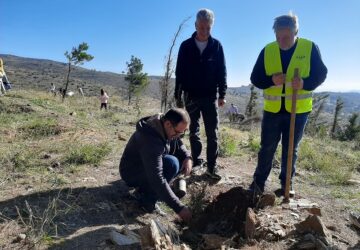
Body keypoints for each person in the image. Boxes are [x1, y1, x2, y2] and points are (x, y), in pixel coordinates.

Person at [249, 13, 327, 195]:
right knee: (267, 148)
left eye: (285, 37)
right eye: (277, 37)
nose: (281, 41)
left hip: (298, 111)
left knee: (290, 149)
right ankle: (258, 184)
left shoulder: (309, 48)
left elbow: (321, 74)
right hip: (273, 110)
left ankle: (286, 185)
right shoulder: (268, 50)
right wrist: (271, 80)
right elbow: (255, 78)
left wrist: (304, 84)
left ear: (295, 32)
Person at [175, 8, 227, 181]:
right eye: (201, 27)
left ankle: (212, 166)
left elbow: (222, 71)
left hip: (210, 96)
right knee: (193, 131)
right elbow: (180, 72)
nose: (204, 31)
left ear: (211, 26)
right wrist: (178, 94)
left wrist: (222, 94)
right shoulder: (186, 46)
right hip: (190, 96)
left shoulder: (216, 46)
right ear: (196, 25)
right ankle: (196, 161)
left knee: (213, 133)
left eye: (208, 28)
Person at [119, 108, 193, 222]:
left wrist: (188, 157)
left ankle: (153, 191)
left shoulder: (163, 126)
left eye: (182, 133)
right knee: (171, 164)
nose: (179, 136)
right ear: (168, 124)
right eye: (178, 132)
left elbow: (179, 143)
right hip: (131, 173)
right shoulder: (150, 139)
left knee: (177, 160)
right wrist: (179, 208)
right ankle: (147, 200)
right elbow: (157, 178)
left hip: (146, 165)